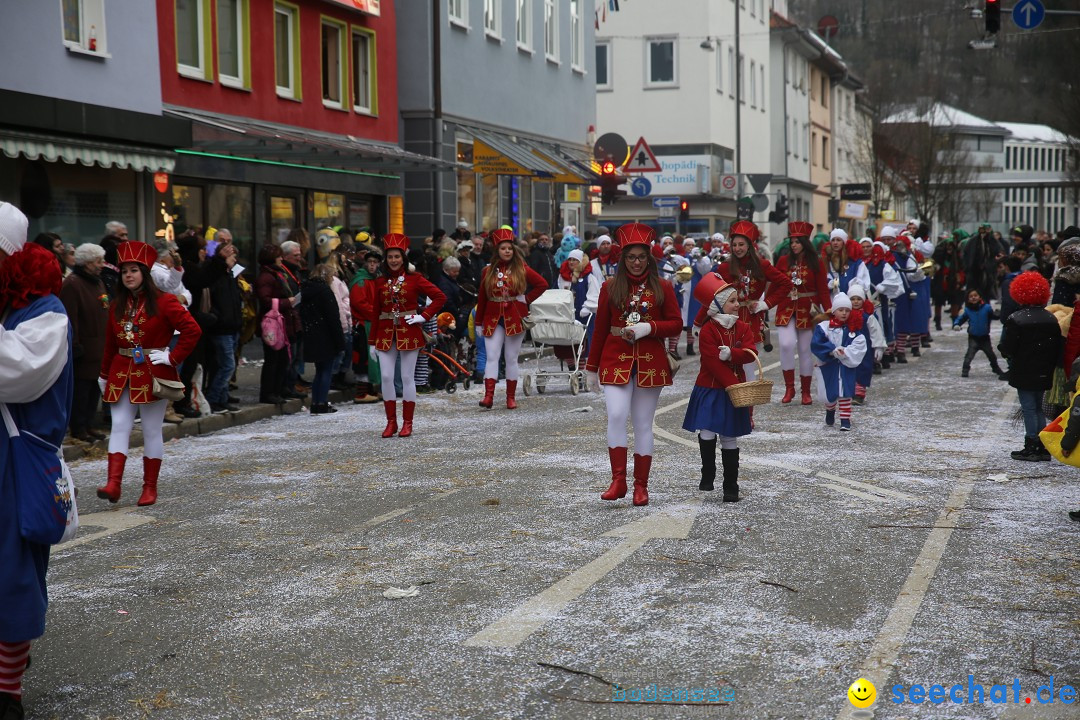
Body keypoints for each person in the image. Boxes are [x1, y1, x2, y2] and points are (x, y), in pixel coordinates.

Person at [0, 205, 72, 720]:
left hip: (14, 460)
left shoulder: (45, 311)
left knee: (12, 572)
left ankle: (7, 692)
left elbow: (20, 374)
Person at [97, 241, 202, 506]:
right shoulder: (117, 304)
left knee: (151, 430)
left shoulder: (165, 302)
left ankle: (149, 488)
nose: (128, 275)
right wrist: (103, 374)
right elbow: (110, 342)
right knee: (119, 425)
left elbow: (192, 330)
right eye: (124, 271)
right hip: (121, 371)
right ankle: (113, 484)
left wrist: (172, 356)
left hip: (153, 373)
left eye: (134, 270)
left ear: (145, 273)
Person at [586, 223, 683, 506]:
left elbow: (676, 323)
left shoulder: (663, 286)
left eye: (642, 257)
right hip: (615, 359)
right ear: (623, 258)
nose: (637, 262)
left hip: (651, 361)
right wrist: (591, 368)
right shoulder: (609, 287)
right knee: (616, 415)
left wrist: (650, 327)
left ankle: (642, 486)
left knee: (642, 423)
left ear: (649, 259)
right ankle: (618, 480)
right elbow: (601, 329)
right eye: (631, 257)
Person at [350, 233, 446, 437]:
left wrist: (424, 316)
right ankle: (390, 422)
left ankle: (408, 423)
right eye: (390, 257)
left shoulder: (415, 279)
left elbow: (439, 296)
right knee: (386, 377)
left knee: (406, 377)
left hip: (409, 332)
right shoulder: (379, 281)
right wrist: (372, 342)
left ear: (403, 258)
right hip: (384, 334)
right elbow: (375, 313)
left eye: (397, 256)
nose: (394, 260)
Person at [682, 273, 754, 501]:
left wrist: (733, 353)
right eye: (732, 301)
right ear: (719, 305)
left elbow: (752, 353)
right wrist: (735, 386)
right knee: (707, 430)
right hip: (711, 388)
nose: (737, 305)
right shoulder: (708, 329)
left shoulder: (743, 327)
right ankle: (708, 472)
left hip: (731, 390)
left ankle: (731, 486)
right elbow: (712, 363)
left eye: (737, 300)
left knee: (729, 436)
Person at [475, 228, 548, 410]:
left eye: (509, 248)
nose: (507, 251)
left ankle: (510, 397)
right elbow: (482, 297)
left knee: (511, 358)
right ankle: (488, 396)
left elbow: (542, 284)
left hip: (515, 316)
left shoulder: (521, 268)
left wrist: (527, 299)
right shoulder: (487, 271)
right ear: (497, 251)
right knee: (492, 356)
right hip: (492, 317)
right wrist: (478, 322)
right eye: (503, 248)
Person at [709, 221, 791, 381]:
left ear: (749, 245)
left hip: (752, 322)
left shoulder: (762, 265)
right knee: (727, 369)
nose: (737, 248)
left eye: (741, 244)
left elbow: (786, 284)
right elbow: (713, 294)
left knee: (748, 367)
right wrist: (699, 322)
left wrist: (766, 304)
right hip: (728, 321)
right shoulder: (725, 267)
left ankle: (747, 405)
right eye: (734, 245)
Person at [998, 272, 1063, 461]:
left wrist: (1005, 351)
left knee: (1028, 407)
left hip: (1024, 369)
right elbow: (1057, 345)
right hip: (1044, 369)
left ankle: (1032, 443)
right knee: (1038, 407)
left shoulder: (1016, 318)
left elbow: (1008, 347)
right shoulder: (1051, 318)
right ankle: (1042, 444)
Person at [774, 222, 831, 405]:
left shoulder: (817, 262)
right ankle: (789, 388)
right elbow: (775, 284)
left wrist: (829, 311)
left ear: (805, 242)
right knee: (786, 343)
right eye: (792, 242)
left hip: (808, 310)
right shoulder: (783, 261)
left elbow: (823, 289)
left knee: (806, 350)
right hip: (786, 308)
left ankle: (806, 391)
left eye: (797, 242)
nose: (794, 245)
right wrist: (765, 304)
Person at [59, 242, 110, 442]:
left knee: (94, 390)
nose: (102, 264)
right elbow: (70, 316)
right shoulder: (73, 284)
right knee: (81, 391)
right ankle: (78, 427)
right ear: (87, 262)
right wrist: (75, 344)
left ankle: (89, 424)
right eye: (99, 261)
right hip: (84, 348)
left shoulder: (97, 282)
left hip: (100, 347)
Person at [811, 293, 867, 431]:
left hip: (845, 365)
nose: (844, 313)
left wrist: (846, 353)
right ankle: (830, 410)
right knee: (829, 394)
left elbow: (859, 345)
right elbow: (817, 343)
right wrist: (831, 351)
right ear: (834, 311)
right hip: (828, 365)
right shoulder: (824, 327)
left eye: (847, 310)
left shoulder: (852, 329)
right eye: (841, 310)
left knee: (845, 391)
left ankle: (845, 419)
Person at [255, 244, 301, 404]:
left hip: (282, 321)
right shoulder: (267, 276)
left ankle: (278, 389)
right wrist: (286, 302)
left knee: (282, 359)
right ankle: (269, 392)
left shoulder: (277, 274)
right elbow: (265, 299)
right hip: (273, 322)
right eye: (279, 256)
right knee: (273, 360)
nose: (281, 259)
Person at [300, 264, 346, 414]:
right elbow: (333, 318)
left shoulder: (306, 291)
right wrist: (340, 341)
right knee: (326, 370)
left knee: (319, 371)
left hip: (312, 334)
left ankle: (315, 402)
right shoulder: (326, 292)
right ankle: (322, 402)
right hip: (326, 335)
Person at [204, 240, 243, 413]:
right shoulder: (217, 276)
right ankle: (213, 398)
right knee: (227, 365)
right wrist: (217, 317)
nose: (234, 260)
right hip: (221, 327)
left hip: (232, 325)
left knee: (228, 364)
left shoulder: (230, 276)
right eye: (231, 257)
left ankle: (222, 397)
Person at [349, 249, 382, 404]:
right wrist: (376, 313)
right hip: (363, 325)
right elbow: (359, 303)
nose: (372, 265)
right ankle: (361, 392)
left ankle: (369, 389)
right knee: (364, 357)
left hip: (373, 323)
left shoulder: (376, 279)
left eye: (375, 263)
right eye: (370, 262)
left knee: (372, 357)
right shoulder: (360, 280)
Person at [953, 289, 1008, 380]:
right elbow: (961, 319)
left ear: (980, 297)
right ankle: (965, 370)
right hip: (973, 337)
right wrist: (956, 324)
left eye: (975, 295)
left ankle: (996, 368)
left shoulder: (986, 308)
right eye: (971, 296)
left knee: (991, 355)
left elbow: (993, 316)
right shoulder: (968, 310)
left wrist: (999, 314)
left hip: (985, 337)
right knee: (969, 355)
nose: (973, 297)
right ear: (968, 299)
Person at [847, 284, 885, 404]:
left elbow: (876, 332)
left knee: (863, 368)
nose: (856, 302)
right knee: (849, 368)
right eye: (852, 299)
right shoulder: (845, 315)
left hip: (865, 348)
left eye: (858, 299)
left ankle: (859, 394)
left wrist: (878, 347)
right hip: (849, 347)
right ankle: (849, 391)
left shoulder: (868, 317)